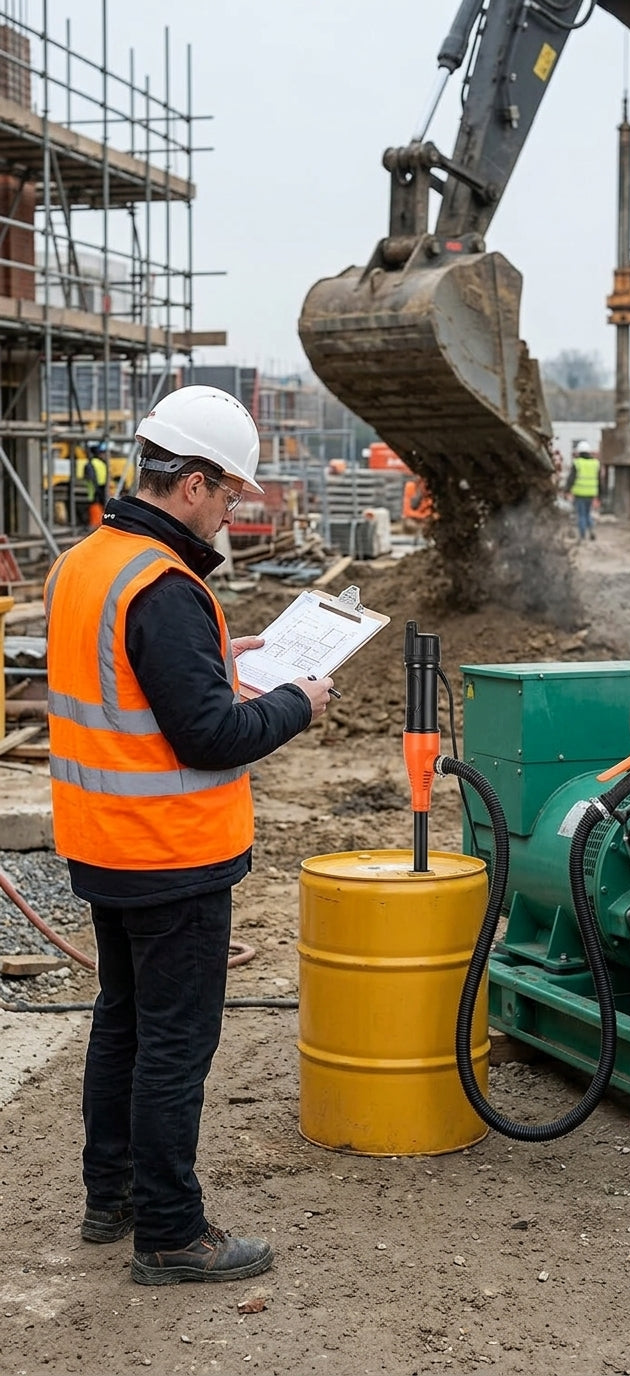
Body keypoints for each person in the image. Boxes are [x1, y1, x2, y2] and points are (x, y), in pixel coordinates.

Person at [44, 385, 335, 1287]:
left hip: (103, 844)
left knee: (124, 1022)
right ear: (193, 484)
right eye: (231, 495)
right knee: (174, 1042)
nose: (232, 511)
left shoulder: (90, 561)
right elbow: (210, 736)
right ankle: (171, 1234)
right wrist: (297, 699)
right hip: (171, 852)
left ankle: (114, 1195)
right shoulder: (163, 589)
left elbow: (133, 680)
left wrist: (223, 656)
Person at [566, 440, 601, 541]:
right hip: (591, 493)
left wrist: (567, 490)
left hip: (580, 493)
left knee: (581, 514)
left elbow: (571, 478)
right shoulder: (595, 463)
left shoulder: (577, 463)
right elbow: (599, 481)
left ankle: (582, 535)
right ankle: (591, 530)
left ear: (579, 452)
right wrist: (600, 495)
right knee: (587, 513)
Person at [401, 475, 433, 542]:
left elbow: (430, 511)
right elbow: (407, 511)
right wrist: (421, 516)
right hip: (413, 519)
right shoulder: (410, 487)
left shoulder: (430, 491)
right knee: (409, 524)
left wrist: (425, 517)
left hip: (425, 520)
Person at [82, 445, 108, 529]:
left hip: (98, 487)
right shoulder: (96, 463)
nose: (104, 455)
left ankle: (97, 523)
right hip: (96, 488)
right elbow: (92, 477)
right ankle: (95, 523)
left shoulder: (94, 463)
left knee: (97, 504)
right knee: (95, 504)